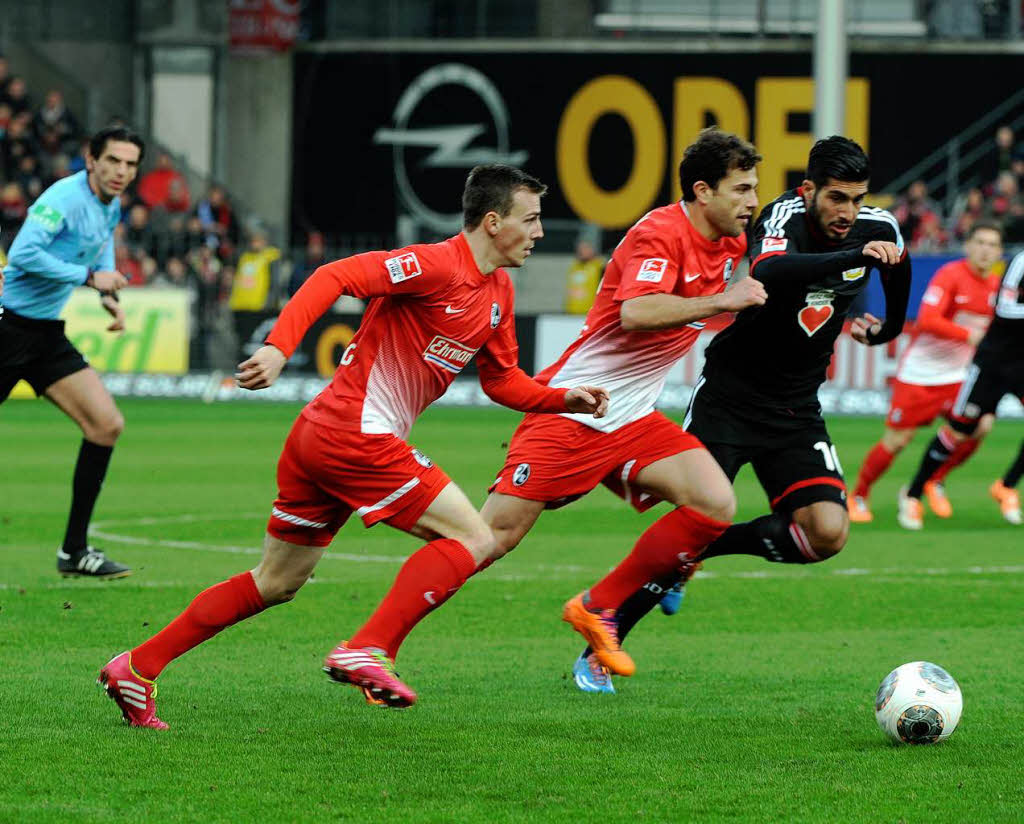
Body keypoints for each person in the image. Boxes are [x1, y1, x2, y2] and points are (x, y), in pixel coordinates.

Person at [98, 164, 609, 728]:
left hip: (323, 437)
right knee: (474, 537)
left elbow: (501, 381)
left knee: (276, 582)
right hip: (353, 434)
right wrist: (276, 347)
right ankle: (370, 646)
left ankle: (136, 668)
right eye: (531, 219)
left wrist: (562, 399)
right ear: (493, 222)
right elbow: (333, 275)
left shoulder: (497, 294)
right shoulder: (437, 264)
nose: (539, 232)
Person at [569, 136, 912, 688]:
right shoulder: (781, 215)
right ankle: (598, 649)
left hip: (797, 410)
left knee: (827, 533)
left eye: (857, 199)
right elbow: (773, 271)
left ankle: (705, 550)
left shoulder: (879, 228)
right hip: (729, 399)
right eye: (835, 199)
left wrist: (889, 328)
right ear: (808, 191)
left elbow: (899, 265)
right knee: (694, 516)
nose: (847, 212)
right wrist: (853, 257)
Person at [470, 127, 765, 693]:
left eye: (755, 188)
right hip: (578, 410)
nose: (752, 200)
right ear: (703, 191)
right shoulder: (660, 232)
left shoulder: (730, 242)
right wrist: (725, 299)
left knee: (714, 502)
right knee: (491, 539)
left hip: (630, 418)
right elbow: (637, 312)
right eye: (742, 188)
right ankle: (377, 641)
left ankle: (599, 605)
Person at [1, 125, 143, 578]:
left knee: (106, 425)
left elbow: (100, 253)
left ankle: (74, 552)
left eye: (130, 164)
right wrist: (88, 278)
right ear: (91, 159)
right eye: (113, 161)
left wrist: (107, 295)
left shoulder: (110, 205)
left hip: (44, 334)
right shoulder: (63, 198)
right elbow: (21, 255)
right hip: (7, 327)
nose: (121, 171)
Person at [848, 221, 1004, 523]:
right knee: (898, 440)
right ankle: (859, 495)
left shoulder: (996, 287)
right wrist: (967, 335)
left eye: (993, 245)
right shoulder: (951, 275)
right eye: (981, 243)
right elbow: (927, 319)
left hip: (959, 375)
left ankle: (933, 479)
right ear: (969, 245)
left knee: (981, 425)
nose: (986, 251)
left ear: (999, 252)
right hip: (922, 373)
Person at [899, 249, 1024, 528]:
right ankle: (914, 493)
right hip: (993, 363)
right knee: (960, 429)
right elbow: (1004, 308)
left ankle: (1006, 485)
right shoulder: (1021, 261)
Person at [564, 239, 604, 314]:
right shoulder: (574, 267)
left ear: (592, 250)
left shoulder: (599, 266)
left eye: (585, 248)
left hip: (591, 312)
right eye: (579, 249)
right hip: (572, 311)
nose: (581, 251)